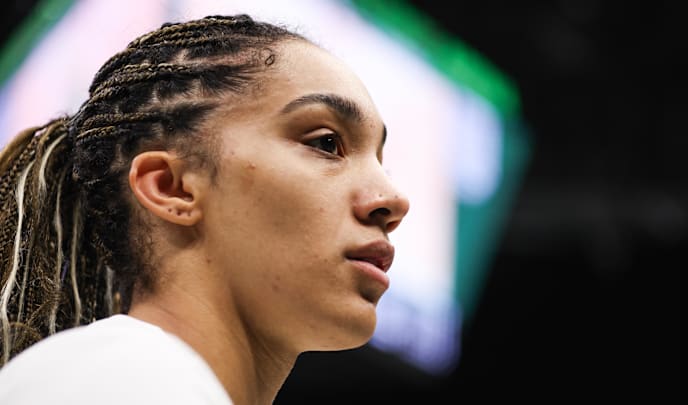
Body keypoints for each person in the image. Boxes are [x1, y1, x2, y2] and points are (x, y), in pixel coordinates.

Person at [0, 13, 409, 404]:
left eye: (380, 162)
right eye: (325, 143)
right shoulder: (121, 375)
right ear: (171, 187)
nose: (393, 200)